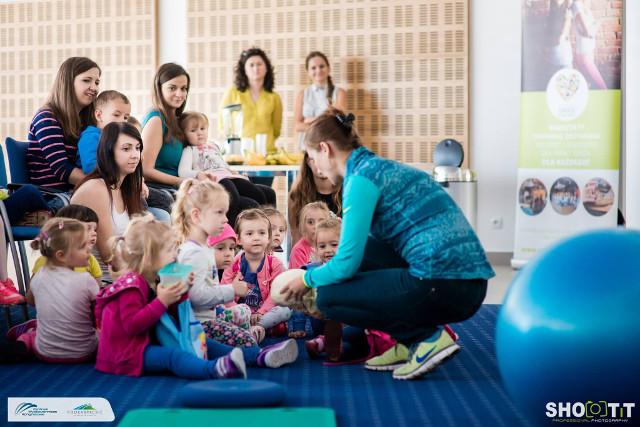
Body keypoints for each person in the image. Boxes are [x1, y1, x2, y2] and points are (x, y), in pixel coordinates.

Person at [280, 109, 494, 380]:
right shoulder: (377, 168)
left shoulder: (360, 180)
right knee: (365, 253)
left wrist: (307, 279)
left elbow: (345, 265)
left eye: (313, 157)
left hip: (445, 284)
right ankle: (407, 343)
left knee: (328, 297)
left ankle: (426, 338)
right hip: (467, 283)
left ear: (325, 148)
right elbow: (364, 253)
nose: (316, 168)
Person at [94, 216, 246, 379]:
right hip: (125, 354)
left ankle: (253, 356)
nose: (175, 255)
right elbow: (132, 325)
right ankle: (215, 369)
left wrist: (182, 289)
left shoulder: (155, 278)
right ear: (149, 257)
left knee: (203, 341)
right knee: (173, 356)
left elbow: (172, 313)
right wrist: (162, 301)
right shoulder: (130, 286)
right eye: (170, 250)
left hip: (144, 342)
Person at [172, 180, 299, 365]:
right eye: (219, 213)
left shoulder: (201, 249)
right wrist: (232, 290)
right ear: (197, 215)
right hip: (199, 326)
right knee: (245, 341)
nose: (225, 219)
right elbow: (196, 297)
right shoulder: (194, 254)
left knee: (242, 323)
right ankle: (261, 357)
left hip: (208, 318)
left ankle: (253, 345)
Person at [5, 218, 98, 362]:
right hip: (85, 352)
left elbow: (30, 301)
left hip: (45, 352)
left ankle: (24, 341)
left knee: (32, 335)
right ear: (61, 255)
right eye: (82, 246)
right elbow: (98, 313)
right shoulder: (87, 280)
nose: (89, 249)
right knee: (102, 333)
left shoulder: (38, 277)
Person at [70, 122, 145, 274]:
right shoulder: (96, 189)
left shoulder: (126, 188)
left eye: (137, 148)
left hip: (123, 274)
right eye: (126, 149)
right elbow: (109, 255)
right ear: (108, 151)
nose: (135, 155)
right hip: (100, 279)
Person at [178, 111, 276, 225]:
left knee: (264, 192)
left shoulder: (213, 146)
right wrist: (198, 174)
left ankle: (268, 226)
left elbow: (221, 164)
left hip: (228, 176)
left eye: (202, 129)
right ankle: (229, 228)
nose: (199, 133)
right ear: (184, 134)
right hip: (215, 181)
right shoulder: (189, 150)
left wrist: (234, 173)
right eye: (193, 130)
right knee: (231, 191)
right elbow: (182, 172)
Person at [27, 57, 100, 209]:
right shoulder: (46, 117)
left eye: (97, 82)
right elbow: (62, 169)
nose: (94, 87)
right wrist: (104, 185)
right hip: (54, 197)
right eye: (86, 80)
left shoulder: (87, 123)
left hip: (78, 192)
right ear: (67, 82)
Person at [221, 209, 292, 338]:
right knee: (220, 307)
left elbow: (275, 294)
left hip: (264, 312)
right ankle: (257, 329)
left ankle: (257, 327)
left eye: (262, 233)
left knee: (285, 310)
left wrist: (261, 312)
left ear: (268, 238)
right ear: (238, 239)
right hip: (241, 312)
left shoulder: (275, 264)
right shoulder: (233, 264)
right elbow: (224, 291)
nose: (256, 238)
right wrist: (241, 312)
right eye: (249, 234)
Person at [219, 48, 282, 188]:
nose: (256, 68)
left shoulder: (274, 97)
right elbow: (223, 124)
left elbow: (276, 129)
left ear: (266, 68)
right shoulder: (233, 92)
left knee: (264, 194)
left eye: (259, 64)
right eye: (251, 65)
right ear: (244, 69)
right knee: (243, 196)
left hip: (265, 157)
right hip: (239, 158)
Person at [32, 204, 102, 286]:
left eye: (95, 229)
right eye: (88, 228)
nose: (94, 233)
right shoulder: (46, 261)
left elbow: (97, 290)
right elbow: (32, 290)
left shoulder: (89, 259)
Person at [294, 51, 347, 149]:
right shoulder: (302, 94)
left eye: (322, 66)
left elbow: (338, 123)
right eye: (313, 68)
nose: (318, 70)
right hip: (306, 148)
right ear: (308, 72)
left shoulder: (339, 93)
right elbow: (297, 126)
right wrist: (323, 121)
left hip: (330, 147)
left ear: (328, 68)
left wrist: (310, 120)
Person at [289, 152, 342, 244]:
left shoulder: (348, 193)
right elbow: (296, 237)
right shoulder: (296, 196)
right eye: (315, 159)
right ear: (308, 161)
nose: (321, 164)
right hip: (307, 252)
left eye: (325, 159)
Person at [77, 91, 131, 174]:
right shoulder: (90, 137)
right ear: (99, 115)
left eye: (126, 117)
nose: (122, 121)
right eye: (116, 115)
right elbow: (91, 168)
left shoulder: (119, 139)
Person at [571, 0, 607, 89]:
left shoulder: (584, 4)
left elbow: (590, 30)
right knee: (602, 88)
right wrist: (598, 22)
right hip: (584, 52)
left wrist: (595, 24)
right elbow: (589, 32)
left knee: (590, 86)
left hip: (588, 50)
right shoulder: (577, 5)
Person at [289, 201, 331, 269]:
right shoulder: (299, 250)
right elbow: (299, 274)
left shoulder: (331, 245)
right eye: (310, 222)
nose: (316, 226)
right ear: (303, 225)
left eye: (321, 222)